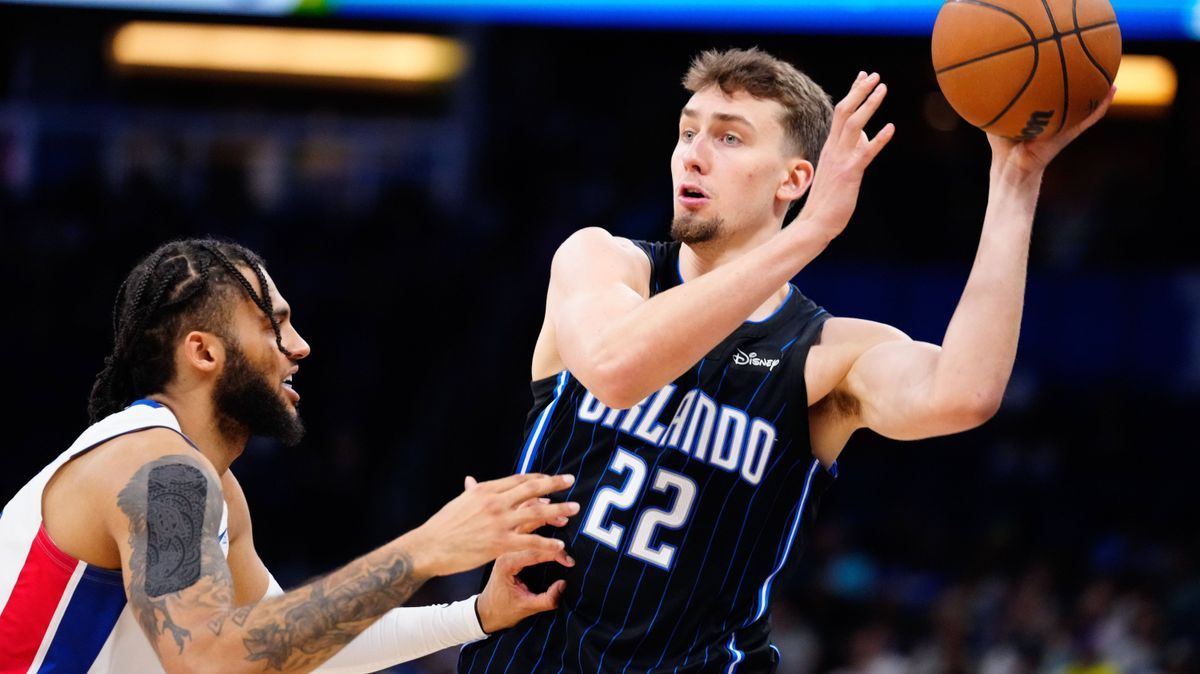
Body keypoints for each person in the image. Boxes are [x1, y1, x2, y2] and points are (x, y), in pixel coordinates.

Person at [458, 47, 1114, 672]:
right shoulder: (601, 261)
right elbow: (616, 368)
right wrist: (811, 233)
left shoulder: (826, 355)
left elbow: (965, 393)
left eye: (729, 138)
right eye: (688, 133)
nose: (693, 155)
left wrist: (1017, 182)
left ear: (796, 179)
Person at [0, 238, 581, 673]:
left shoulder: (205, 481)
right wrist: (426, 549)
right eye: (273, 326)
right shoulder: (160, 469)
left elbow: (298, 651)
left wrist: (474, 614)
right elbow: (209, 658)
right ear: (202, 351)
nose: (299, 347)